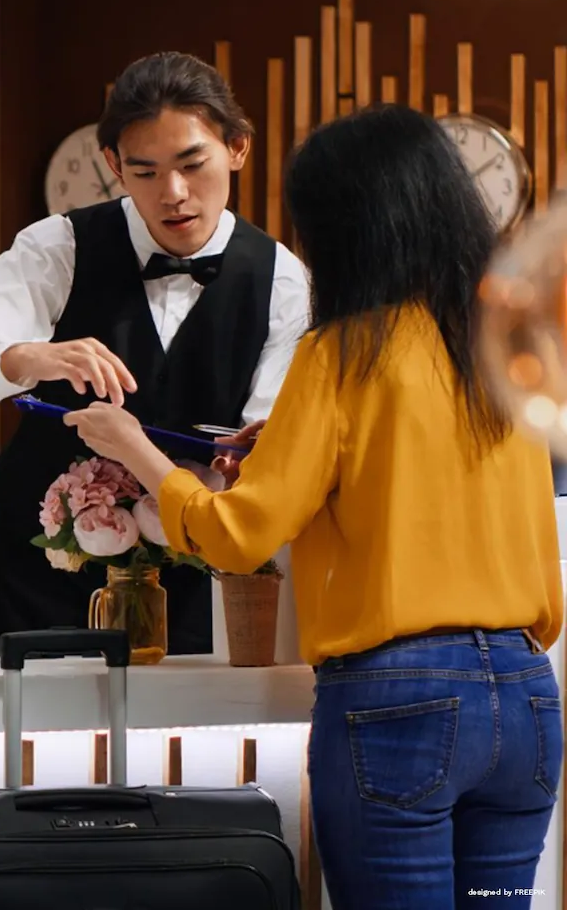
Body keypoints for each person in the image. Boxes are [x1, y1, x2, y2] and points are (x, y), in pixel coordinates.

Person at [65, 104, 562, 907]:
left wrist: (134, 449)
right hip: (528, 689)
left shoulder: (341, 354)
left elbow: (238, 535)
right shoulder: (505, 349)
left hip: (398, 700)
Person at [0, 51, 310, 655]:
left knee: (182, 752)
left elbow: (262, 458)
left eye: (193, 165)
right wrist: (25, 359)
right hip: (37, 587)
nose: (174, 194)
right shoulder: (57, 248)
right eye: (144, 171)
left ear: (237, 148)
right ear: (114, 165)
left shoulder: (282, 279)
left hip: (195, 588)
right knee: (26, 751)